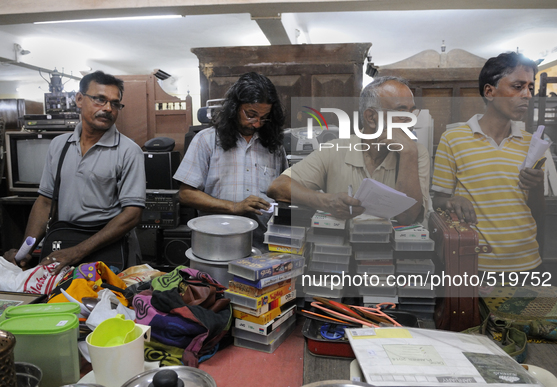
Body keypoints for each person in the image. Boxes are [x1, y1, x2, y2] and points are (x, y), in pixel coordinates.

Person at [3, 71, 146, 273]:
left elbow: (132, 214)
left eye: (115, 103)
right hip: (65, 244)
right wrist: (26, 250)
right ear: (79, 99)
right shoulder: (58, 145)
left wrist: (78, 252)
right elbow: (44, 204)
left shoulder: (129, 151)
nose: (107, 108)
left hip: (111, 251)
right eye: (100, 99)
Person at [431, 52, 545, 272]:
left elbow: (538, 211)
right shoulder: (454, 140)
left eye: (531, 87)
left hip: (527, 261)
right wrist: (453, 201)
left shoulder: (533, 144)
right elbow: (438, 201)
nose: (527, 95)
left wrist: (538, 186)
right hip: (475, 262)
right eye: (517, 86)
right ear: (489, 92)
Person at [267, 76, 430, 225]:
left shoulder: (416, 153)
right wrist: (326, 201)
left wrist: (408, 154)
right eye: (402, 111)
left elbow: (407, 217)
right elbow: (278, 187)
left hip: (390, 253)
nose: (411, 120)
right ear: (371, 118)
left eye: (412, 111)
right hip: (340, 251)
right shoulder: (335, 149)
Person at [173, 72, 288, 250]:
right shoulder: (206, 140)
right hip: (217, 245)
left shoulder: (274, 146)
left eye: (264, 117)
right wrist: (234, 207)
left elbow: (283, 194)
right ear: (235, 107)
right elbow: (185, 194)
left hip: (263, 246)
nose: (257, 123)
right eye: (251, 114)